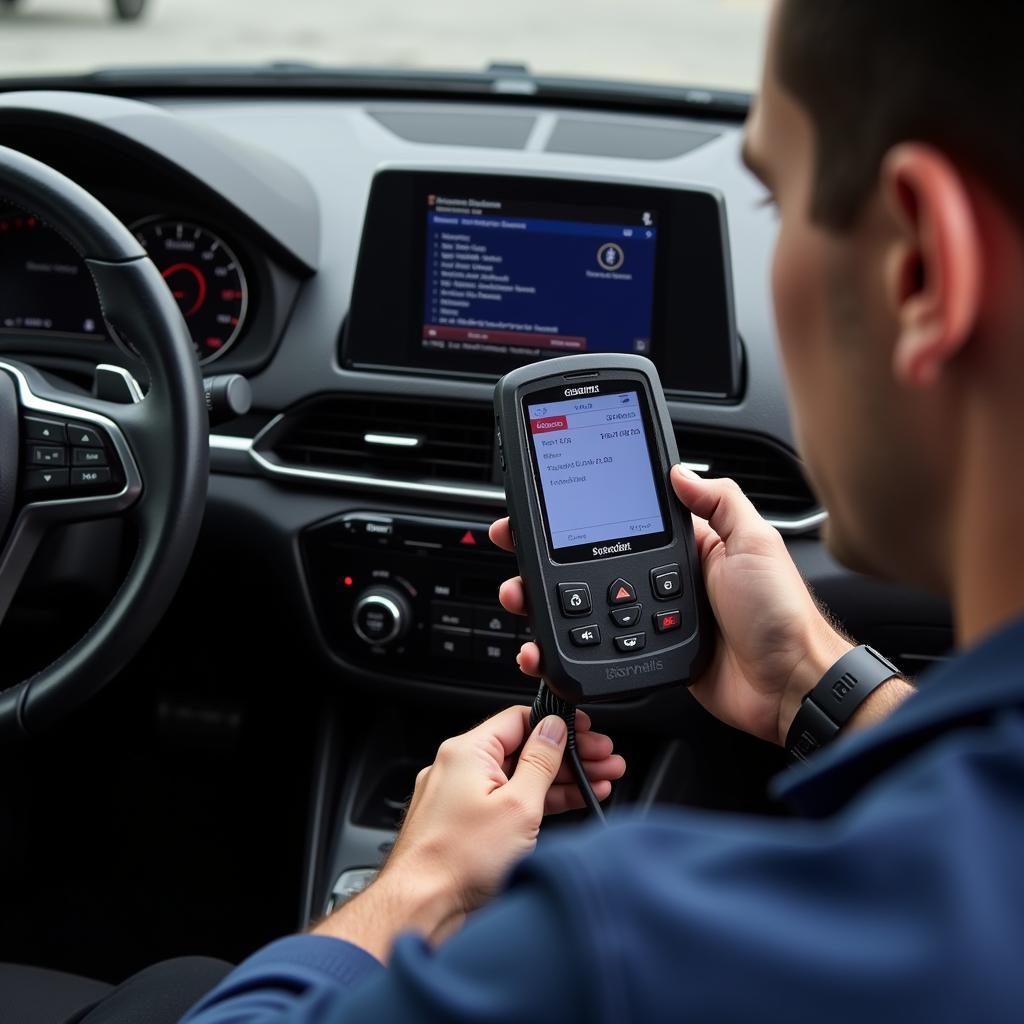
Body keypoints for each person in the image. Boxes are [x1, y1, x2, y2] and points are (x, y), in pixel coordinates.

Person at [182, 2, 1024, 1020]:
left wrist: (420, 884)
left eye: (773, 201)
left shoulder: (623, 942)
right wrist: (808, 673)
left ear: (921, 268)